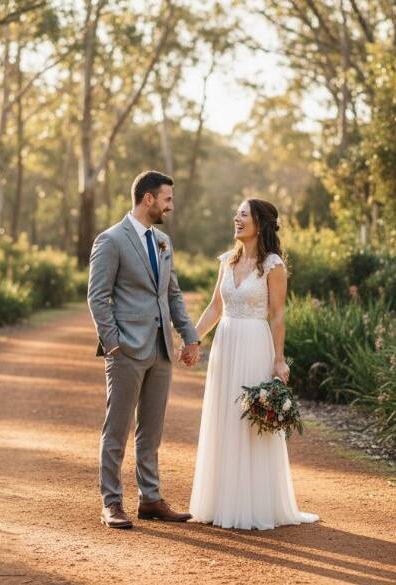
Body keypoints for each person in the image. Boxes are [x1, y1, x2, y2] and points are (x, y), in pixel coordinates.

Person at [188, 198, 319, 530]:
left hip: (253, 346)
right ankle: (222, 502)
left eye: (243, 214)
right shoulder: (226, 261)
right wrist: (193, 338)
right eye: (237, 214)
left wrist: (279, 360)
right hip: (226, 345)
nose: (236, 218)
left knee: (250, 424)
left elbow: (277, 316)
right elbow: (215, 309)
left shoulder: (273, 266)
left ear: (259, 224)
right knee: (225, 418)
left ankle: (255, 505)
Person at [87, 170, 201, 529]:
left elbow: (172, 294)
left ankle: (150, 499)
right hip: (126, 351)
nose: (171, 205)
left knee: (151, 431)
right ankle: (112, 503)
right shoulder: (111, 240)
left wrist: (189, 335)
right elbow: (97, 296)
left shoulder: (163, 241)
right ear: (148, 199)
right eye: (167, 199)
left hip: (161, 350)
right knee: (117, 430)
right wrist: (113, 343)